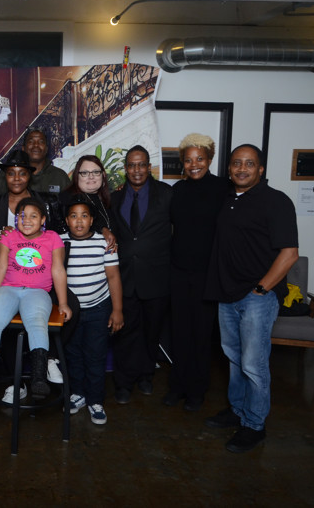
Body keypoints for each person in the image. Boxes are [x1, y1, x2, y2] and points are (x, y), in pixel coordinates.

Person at [204, 144, 298, 453]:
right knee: (234, 358)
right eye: (236, 163)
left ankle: (255, 425)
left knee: (253, 364)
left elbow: (290, 253)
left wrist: (261, 288)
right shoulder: (228, 198)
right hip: (226, 294)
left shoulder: (276, 201)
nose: (242, 168)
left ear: (260, 169)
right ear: (229, 168)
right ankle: (238, 410)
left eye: (249, 163)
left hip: (257, 296)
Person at [0, 149, 73, 401]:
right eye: (22, 216)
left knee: (36, 321)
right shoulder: (8, 236)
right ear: (16, 219)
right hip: (9, 289)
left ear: (43, 219)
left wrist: (63, 303)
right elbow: (0, 266)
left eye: (33, 216)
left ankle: (39, 378)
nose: (27, 220)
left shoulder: (52, 238)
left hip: (37, 292)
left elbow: (58, 270)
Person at [164, 134, 229, 411]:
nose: (194, 165)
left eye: (200, 159)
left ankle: (197, 390)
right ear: (183, 162)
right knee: (179, 332)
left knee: (201, 334)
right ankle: (177, 386)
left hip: (207, 274)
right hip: (179, 272)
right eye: (189, 160)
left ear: (210, 160)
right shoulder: (178, 190)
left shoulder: (224, 188)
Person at [109, 146, 173, 405]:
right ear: (126, 169)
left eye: (142, 164)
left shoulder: (166, 194)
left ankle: (146, 376)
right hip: (124, 277)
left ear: (149, 167)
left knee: (151, 332)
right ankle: (123, 382)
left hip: (157, 276)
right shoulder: (115, 197)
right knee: (125, 333)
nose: (137, 170)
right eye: (132, 165)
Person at [61, 197, 124, 425]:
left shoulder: (103, 243)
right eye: (74, 216)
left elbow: (113, 276)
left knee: (95, 355)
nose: (79, 221)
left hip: (99, 308)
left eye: (84, 216)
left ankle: (95, 400)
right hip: (71, 313)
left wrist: (117, 310)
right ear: (66, 220)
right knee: (73, 354)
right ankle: (78, 394)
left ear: (92, 220)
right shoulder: (59, 242)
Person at [59, 154, 117, 250]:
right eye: (85, 173)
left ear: (103, 175)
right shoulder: (67, 199)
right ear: (77, 176)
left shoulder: (107, 199)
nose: (91, 177)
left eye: (96, 172)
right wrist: (102, 229)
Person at [0, 128, 71, 196]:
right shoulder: (3, 178)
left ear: (46, 149)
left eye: (41, 142)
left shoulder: (60, 177)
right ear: (23, 148)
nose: (36, 145)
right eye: (31, 142)